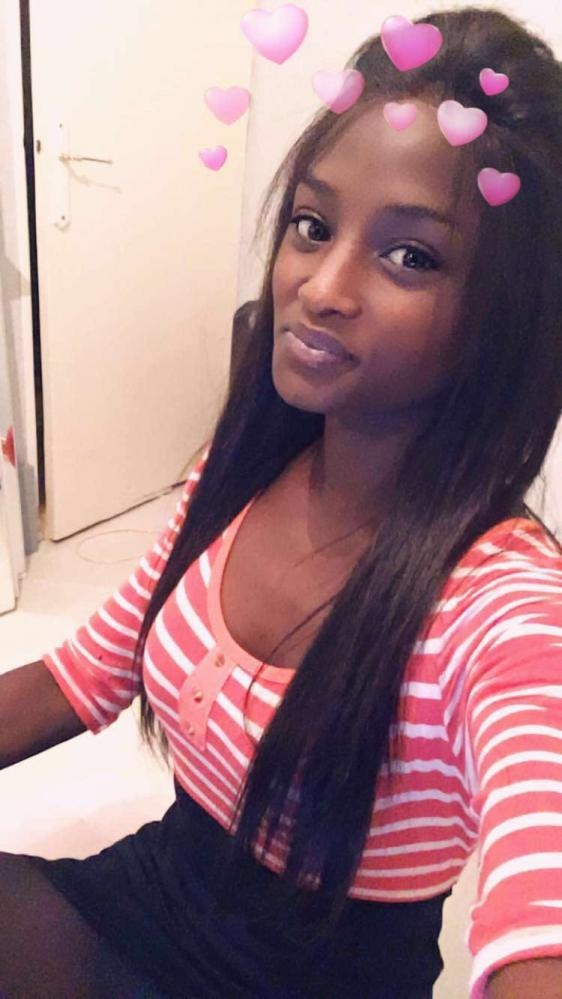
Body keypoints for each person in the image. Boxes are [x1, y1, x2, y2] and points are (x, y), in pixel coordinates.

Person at [1, 5, 562, 997]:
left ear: (506, 314)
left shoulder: (502, 606)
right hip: (158, 895)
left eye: (411, 256)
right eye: (312, 225)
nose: (322, 286)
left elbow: (541, 908)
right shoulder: (241, 472)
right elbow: (82, 676)